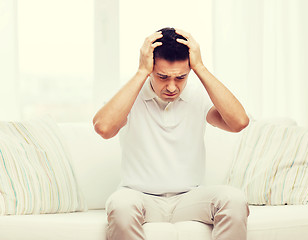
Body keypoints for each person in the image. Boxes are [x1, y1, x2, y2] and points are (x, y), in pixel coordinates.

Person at [93, 27, 250, 240]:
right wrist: (141, 72)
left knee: (234, 199)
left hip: (189, 199)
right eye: (162, 77)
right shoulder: (131, 95)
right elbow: (103, 127)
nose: (172, 87)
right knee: (120, 205)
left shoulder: (196, 96)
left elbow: (239, 122)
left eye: (180, 78)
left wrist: (200, 67)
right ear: (150, 69)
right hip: (139, 198)